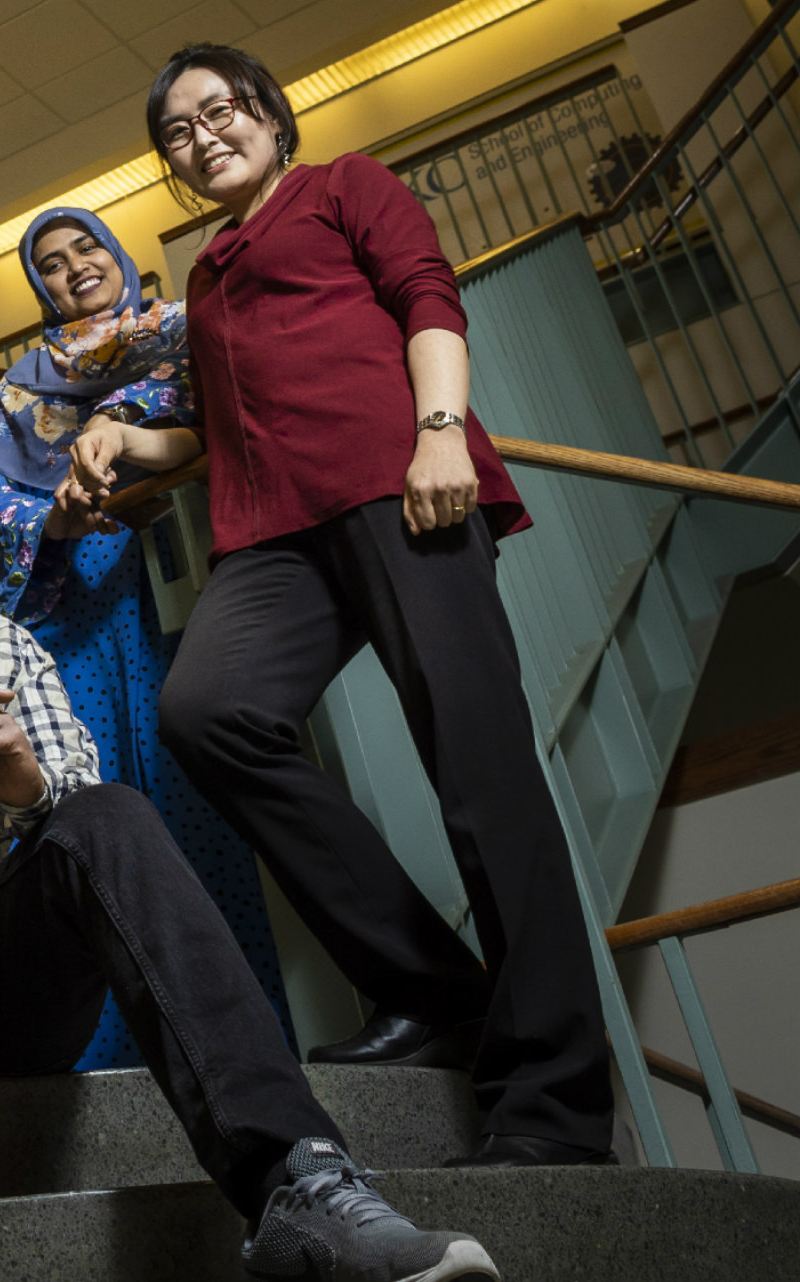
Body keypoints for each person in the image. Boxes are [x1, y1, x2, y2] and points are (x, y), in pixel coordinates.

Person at [0, 407, 498, 1281]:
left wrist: (27, 792)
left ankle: (299, 1184)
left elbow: (73, 811)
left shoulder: (0, 642)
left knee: (102, 811)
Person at [100, 42, 614, 1167]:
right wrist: (128, 441)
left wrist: (439, 434)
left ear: (271, 115)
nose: (200, 137)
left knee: (479, 779)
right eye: (176, 133)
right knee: (204, 711)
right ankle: (429, 990)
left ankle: (556, 1103)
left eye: (218, 110)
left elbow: (426, 300)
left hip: (400, 485)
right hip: (269, 533)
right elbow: (216, 419)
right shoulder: (204, 272)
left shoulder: (346, 185)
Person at [0, 205, 292, 1068]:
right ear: (41, 288)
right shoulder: (25, 379)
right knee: (86, 804)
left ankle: (242, 1048)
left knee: (193, 795)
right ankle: (103, 1062)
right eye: (52, 264)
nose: (74, 269)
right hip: (75, 598)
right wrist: (59, 524)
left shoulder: (184, 328)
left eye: (85, 251)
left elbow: (231, 414)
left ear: (117, 255)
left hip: (189, 579)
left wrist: (136, 442)